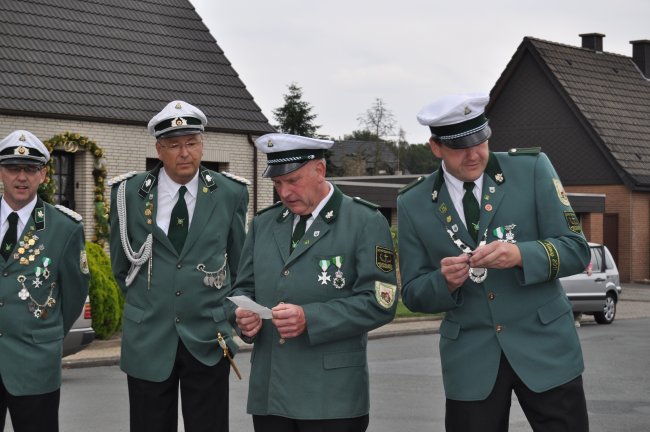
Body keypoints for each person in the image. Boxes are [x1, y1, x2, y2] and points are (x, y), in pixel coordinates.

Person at [397, 93, 591, 432]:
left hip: (546, 349)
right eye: (460, 146)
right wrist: (444, 282)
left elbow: (576, 250)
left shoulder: (532, 168)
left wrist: (520, 255)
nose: (474, 154)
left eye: (480, 141)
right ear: (435, 147)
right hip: (470, 362)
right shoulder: (413, 202)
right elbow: (413, 293)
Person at [230, 133, 398, 432]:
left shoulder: (364, 221)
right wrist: (242, 317)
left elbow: (380, 302)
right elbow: (243, 288)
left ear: (320, 170)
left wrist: (310, 318)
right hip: (272, 393)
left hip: (332, 397)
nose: (285, 192)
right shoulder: (264, 224)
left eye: (293, 180)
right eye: (277, 183)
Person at [109, 101, 249, 432]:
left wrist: (230, 316)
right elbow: (121, 267)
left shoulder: (230, 193)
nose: (184, 153)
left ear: (202, 144)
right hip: (148, 337)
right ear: (159, 150)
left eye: (191, 143)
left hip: (208, 337)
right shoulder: (128, 193)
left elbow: (240, 267)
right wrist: (150, 304)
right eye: (174, 145)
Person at [0, 130, 89, 431]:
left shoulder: (64, 228)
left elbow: (75, 294)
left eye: (30, 169)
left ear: (44, 175)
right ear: (1, 172)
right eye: (13, 168)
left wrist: (45, 334)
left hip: (35, 363)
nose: (21, 177)